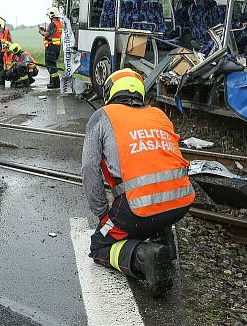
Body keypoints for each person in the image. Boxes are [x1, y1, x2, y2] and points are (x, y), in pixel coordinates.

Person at [81, 69, 195, 297]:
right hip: (181, 204)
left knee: (99, 246)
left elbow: (89, 170)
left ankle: (144, 257)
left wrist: (103, 214)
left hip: (137, 209)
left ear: (110, 92)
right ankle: (166, 242)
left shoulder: (103, 116)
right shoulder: (159, 114)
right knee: (155, 193)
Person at [38, 7, 63, 89]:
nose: (49, 17)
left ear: (52, 15)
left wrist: (41, 32)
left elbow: (46, 35)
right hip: (57, 47)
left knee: (50, 65)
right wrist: (45, 30)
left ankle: (55, 83)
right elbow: (53, 33)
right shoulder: (59, 23)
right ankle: (54, 82)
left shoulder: (52, 24)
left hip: (51, 47)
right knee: (53, 64)